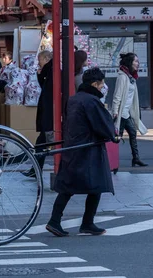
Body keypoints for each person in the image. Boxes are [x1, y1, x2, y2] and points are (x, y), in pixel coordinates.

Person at [47, 68, 118, 237]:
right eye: (101, 84)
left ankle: (57, 220)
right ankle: (85, 222)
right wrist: (112, 132)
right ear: (95, 84)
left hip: (74, 146)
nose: (102, 87)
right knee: (97, 184)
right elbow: (102, 125)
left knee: (68, 186)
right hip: (88, 149)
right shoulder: (92, 101)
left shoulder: (74, 99)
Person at [111, 52, 148, 167]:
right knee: (117, 138)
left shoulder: (131, 77)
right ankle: (111, 160)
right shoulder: (122, 77)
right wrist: (115, 112)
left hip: (127, 114)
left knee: (132, 133)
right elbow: (117, 96)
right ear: (129, 63)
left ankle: (135, 158)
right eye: (135, 61)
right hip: (121, 114)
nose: (138, 63)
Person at [22, 50, 54, 178]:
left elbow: (44, 87)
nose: (38, 63)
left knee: (42, 143)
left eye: (40, 59)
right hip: (48, 113)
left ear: (46, 58)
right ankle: (35, 170)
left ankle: (35, 170)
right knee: (41, 143)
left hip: (49, 113)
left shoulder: (49, 69)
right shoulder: (49, 70)